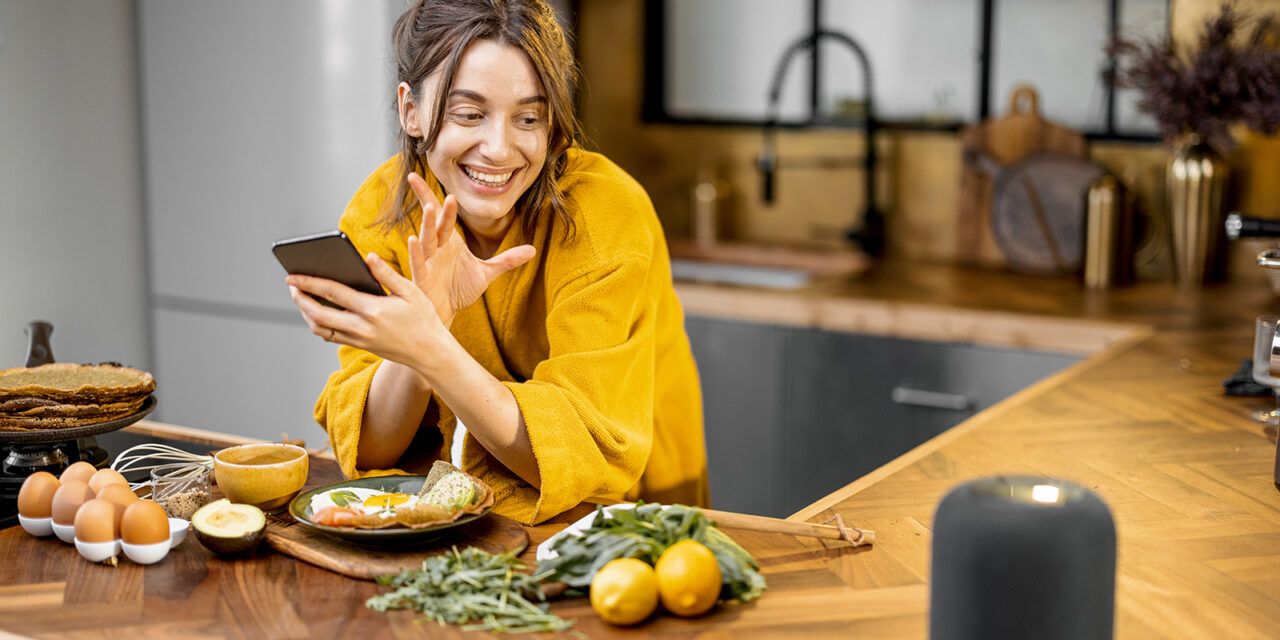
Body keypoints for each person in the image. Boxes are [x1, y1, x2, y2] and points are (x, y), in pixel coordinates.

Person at [286, 0, 707, 525]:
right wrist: (421, 339)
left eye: (528, 117)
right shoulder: (379, 216)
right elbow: (373, 451)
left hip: (624, 504)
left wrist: (431, 349)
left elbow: (579, 454)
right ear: (410, 110)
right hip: (464, 515)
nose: (499, 148)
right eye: (469, 114)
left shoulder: (606, 215)